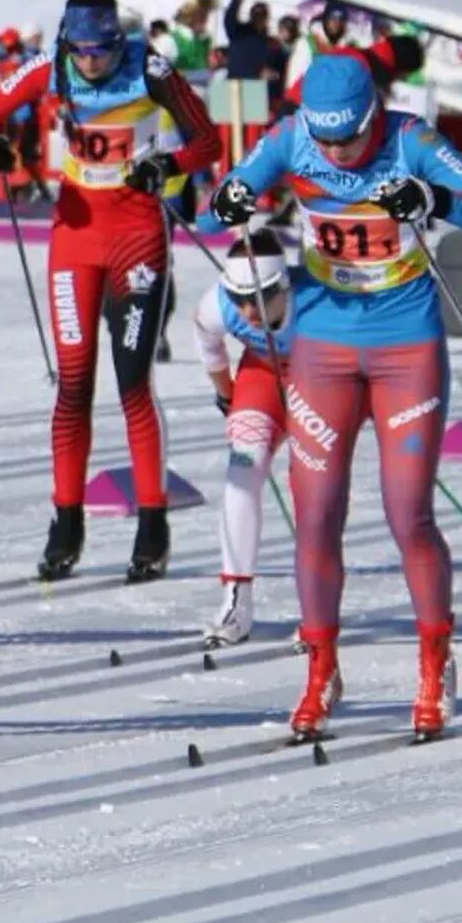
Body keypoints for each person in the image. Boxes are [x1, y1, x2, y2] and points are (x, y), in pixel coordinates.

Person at [208, 53, 462, 742]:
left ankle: (435, 664)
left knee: (408, 514)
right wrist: (231, 196)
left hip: (406, 343)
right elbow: (230, 191)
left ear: (374, 114)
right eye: (327, 140)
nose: (337, 154)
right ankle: (321, 670)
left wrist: (433, 202)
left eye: (349, 139)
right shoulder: (292, 137)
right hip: (322, 342)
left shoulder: (412, 140)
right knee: (315, 516)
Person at [0, 0, 225, 584]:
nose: (90, 63)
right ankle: (66, 522)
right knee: (73, 382)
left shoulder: (151, 67)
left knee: (133, 383)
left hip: (136, 237)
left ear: (117, 41)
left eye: (100, 52)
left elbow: (209, 139)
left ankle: (152, 525)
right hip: (75, 238)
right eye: (80, 52)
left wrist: (170, 164)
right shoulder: (48, 66)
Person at [193, 227, 296, 648]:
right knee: (241, 472)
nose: (249, 310)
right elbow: (210, 347)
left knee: (312, 485)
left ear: (283, 287)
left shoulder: (315, 301)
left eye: (261, 297)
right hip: (261, 377)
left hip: (320, 379)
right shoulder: (217, 306)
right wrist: (226, 395)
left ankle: (319, 606)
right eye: (239, 299)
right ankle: (237, 598)